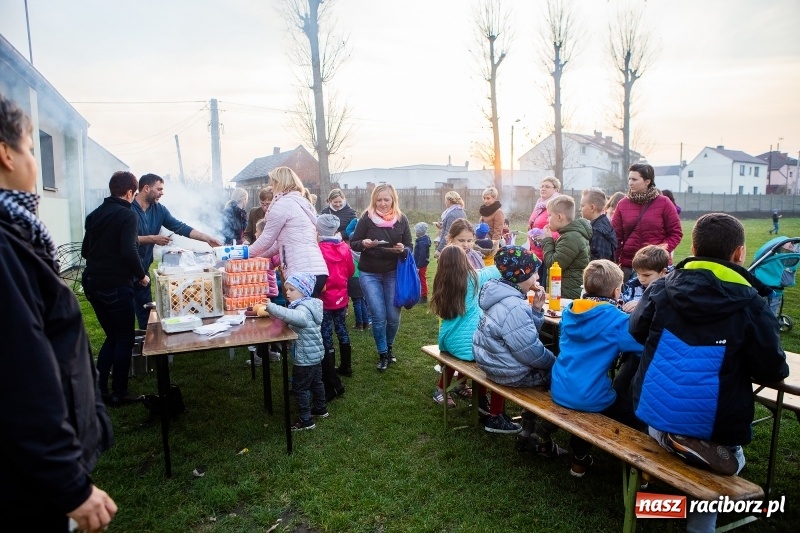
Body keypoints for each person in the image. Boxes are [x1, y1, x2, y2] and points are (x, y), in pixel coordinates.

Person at [0, 93, 117, 532]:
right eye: (32, 148)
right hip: (27, 486)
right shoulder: (6, 245)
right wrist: (69, 484)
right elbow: (21, 376)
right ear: (6, 154)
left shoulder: (19, 235)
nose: (35, 162)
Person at [629, 213, 790, 532]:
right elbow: (774, 369)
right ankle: (694, 522)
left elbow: (636, 330)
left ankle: (659, 502)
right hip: (711, 427)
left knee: (700, 456)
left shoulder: (661, 287)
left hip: (653, 415)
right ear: (739, 254)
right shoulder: (752, 304)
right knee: (731, 465)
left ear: (693, 246)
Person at [550, 260, 644, 477]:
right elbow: (643, 347)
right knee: (632, 414)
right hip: (589, 396)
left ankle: (579, 462)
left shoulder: (570, 310)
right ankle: (638, 471)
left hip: (560, 387)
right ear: (616, 290)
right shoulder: (617, 321)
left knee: (592, 402)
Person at [82, 171, 150, 406]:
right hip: (114, 284)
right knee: (124, 338)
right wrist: (141, 275)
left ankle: (99, 390)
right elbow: (128, 250)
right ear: (130, 192)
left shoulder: (94, 215)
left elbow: (84, 251)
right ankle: (119, 392)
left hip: (92, 283)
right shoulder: (127, 214)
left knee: (112, 336)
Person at [472, 246, 557, 436]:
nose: (537, 277)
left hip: (491, 364)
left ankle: (530, 422)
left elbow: (521, 336)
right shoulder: (515, 306)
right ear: (522, 276)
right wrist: (554, 361)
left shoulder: (501, 295)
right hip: (509, 372)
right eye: (534, 272)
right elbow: (529, 351)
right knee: (559, 375)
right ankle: (537, 430)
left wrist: (535, 310)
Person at [132, 173, 221, 329]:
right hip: (126, 270)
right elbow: (124, 240)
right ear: (146, 188)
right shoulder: (128, 208)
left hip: (143, 270)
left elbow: (180, 227)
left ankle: (148, 348)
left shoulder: (159, 210)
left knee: (145, 317)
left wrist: (206, 238)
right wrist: (152, 239)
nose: (162, 193)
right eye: (159, 189)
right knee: (123, 321)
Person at [349, 183, 412, 371]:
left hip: (393, 272)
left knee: (393, 316)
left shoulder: (401, 220)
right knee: (378, 315)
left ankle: (390, 346)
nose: (383, 203)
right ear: (373, 200)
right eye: (379, 200)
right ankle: (383, 353)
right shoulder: (366, 219)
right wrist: (364, 243)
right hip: (369, 273)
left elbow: (409, 246)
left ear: (393, 200)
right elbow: (354, 242)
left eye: (386, 199)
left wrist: (403, 249)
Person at [429, 245, 500, 408]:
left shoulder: (441, 281)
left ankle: (450, 388)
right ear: (464, 261)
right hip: (469, 346)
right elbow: (496, 271)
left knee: (457, 354)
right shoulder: (474, 277)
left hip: (447, 341)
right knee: (484, 355)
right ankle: (480, 399)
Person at [249, 167, 329, 295]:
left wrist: (245, 253)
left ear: (280, 183)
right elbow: (278, 245)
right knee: (309, 312)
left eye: (272, 182)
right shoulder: (302, 202)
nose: (271, 186)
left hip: (300, 273)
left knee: (298, 313)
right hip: (318, 270)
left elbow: (266, 239)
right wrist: (258, 256)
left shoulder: (282, 205)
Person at [265, 273, 328, 431]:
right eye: (286, 289)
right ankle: (320, 408)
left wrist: (271, 307)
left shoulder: (302, 309)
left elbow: (295, 317)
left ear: (303, 291)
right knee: (316, 383)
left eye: (291, 289)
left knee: (300, 388)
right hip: (315, 354)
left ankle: (306, 420)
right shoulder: (310, 305)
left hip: (305, 357)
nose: (287, 293)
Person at [611, 163, 683, 283]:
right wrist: (615, 263)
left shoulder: (664, 203)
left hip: (657, 267)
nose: (630, 182)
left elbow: (676, 233)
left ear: (647, 181)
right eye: (629, 179)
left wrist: (661, 251)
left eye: (634, 179)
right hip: (629, 266)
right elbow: (615, 237)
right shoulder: (623, 204)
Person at [316, 214, 354, 395]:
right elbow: (350, 270)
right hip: (341, 295)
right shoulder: (345, 247)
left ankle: (330, 370)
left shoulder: (318, 249)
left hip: (325, 297)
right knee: (342, 329)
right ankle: (346, 365)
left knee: (326, 333)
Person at [542, 195, 592, 299]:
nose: (547, 219)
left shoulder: (571, 238)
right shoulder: (569, 235)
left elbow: (553, 263)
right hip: (566, 291)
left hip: (567, 294)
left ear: (560, 217)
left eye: (550, 215)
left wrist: (547, 240)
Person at [620, 245, 670, 313]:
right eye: (637, 273)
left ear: (663, 272)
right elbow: (623, 302)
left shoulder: (672, 287)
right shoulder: (632, 286)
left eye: (646, 275)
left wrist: (642, 305)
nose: (641, 279)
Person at [528, 177, 562, 276]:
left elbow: (561, 228)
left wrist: (546, 236)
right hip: (535, 251)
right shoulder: (539, 204)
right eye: (542, 186)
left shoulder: (558, 205)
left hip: (547, 252)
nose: (543, 189)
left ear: (556, 189)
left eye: (547, 186)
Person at [345, 218, 371, 331]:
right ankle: (366, 323)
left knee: (356, 302)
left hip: (353, 279)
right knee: (363, 301)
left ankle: (359, 324)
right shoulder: (365, 252)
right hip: (364, 277)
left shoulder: (349, 253)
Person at [581, 187, 616, 261]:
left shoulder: (597, 231)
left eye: (582, 206)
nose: (580, 209)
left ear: (592, 208)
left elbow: (598, 262)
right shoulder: (605, 223)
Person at [434, 190, 467, 257]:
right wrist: (443, 225)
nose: (445, 202)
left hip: (452, 248)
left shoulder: (452, 214)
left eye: (445, 200)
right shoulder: (461, 211)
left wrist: (439, 250)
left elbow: (448, 233)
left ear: (449, 200)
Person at [413, 222, 431, 304]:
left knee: (422, 279)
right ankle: (420, 293)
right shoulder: (422, 239)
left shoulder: (422, 242)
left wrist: (418, 266)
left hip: (421, 265)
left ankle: (424, 296)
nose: (415, 233)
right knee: (420, 278)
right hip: (419, 263)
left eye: (416, 231)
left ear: (420, 232)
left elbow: (422, 255)